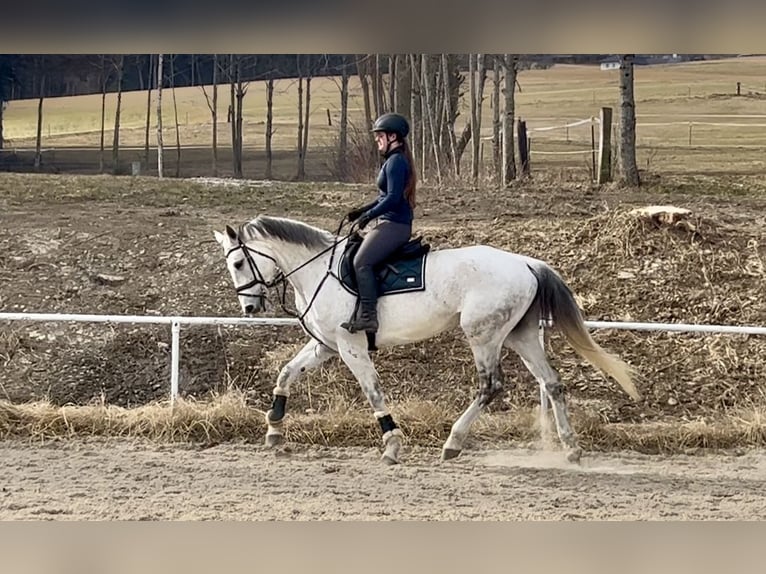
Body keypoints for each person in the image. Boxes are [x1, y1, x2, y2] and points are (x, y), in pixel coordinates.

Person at [340, 112, 417, 335]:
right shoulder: (394, 161)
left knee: (361, 262)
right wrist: (361, 211)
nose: (377, 141)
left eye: (380, 136)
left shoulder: (396, 162)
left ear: (393, 137)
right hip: (390, 222)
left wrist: (369, 215)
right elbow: (385, 197)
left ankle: (368, 317)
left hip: (396, 225)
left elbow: (393, 198)